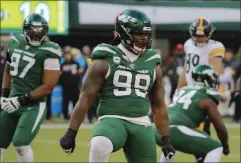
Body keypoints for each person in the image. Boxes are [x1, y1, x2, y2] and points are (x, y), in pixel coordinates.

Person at [60, 9, 175, 163]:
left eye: (145, 35)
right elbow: (85, 99)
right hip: (112, 119)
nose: (144, 39)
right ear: (123, 33)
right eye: (138, 34)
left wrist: (166, 139)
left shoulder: (152, 63)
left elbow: (159, 106)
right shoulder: (104, 60)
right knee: (100, 144)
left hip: (141, 122)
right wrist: (71, 132)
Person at [0, 13, 62, 162]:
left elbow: (48, 86)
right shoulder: (15, 42)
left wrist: (20, 100)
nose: (35, 37)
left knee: (21, 144)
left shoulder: (50, 50)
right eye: (32, 33)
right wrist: (4, 95)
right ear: (24, 31)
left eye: (39, 33)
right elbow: (8, 70)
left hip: (33, 105)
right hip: (12, 101)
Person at [154, 64, 230, 163]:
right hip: (175, 129)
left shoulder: (183, 90)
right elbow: (220, 127)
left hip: (157, 128)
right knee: (216, 148)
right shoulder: (207, 95)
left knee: (172, 147)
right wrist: (225, 146)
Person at [176, 17, 225, 162]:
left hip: (202, 91)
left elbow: (214, 70)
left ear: (209, 33)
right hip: (188, 92)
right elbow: (186, 69)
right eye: (197, 34)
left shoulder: (215, 46)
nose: (199, 37)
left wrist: (210, 90)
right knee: (182, 128)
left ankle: (202, 156)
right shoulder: (188, 45)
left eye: (202, 34)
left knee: (203, 128)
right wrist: (179, 89)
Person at [60, 48, 83, 120]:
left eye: (68, 54)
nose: (67, 56)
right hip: (65, 86)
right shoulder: (63, 64)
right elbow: (59, 74)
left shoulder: (76, 63)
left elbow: (80, 71)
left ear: (71, 55)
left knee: (75, 101)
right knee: (65, 101)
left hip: (74, 86)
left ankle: (75, 116)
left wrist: (77, 76)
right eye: (66, 55)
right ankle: (65, 116)